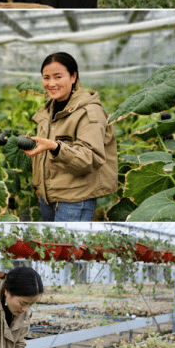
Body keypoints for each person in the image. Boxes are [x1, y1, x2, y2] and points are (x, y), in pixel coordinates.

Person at [24, 52, 118, 222]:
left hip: (75, 200)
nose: (51, 83)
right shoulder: (48, 110)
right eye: (46, 77)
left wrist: (56, 148)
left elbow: (90, 158)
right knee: (51, 246)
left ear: (73, 77)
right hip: (48, 197)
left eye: (58, 77)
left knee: (67, 247)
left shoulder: (89, 112)